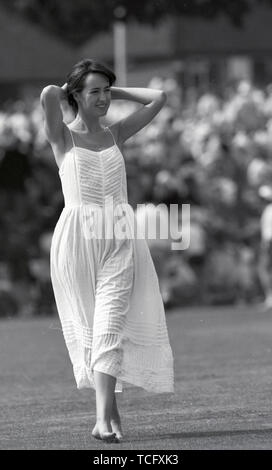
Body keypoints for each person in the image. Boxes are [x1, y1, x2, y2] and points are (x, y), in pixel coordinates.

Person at [40, 59, 174, 444]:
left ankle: (101, 420)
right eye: (94, 92)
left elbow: (159, 97)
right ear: (77, 95)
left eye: (106, 91)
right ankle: (110, 413)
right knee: (93, 331)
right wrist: (74, 92)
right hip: (77, 242)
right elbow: (49, 94)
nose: (102, 98)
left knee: (110, 324)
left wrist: (113, 91)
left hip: (118, 235)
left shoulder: (116, 133)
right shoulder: (61, 138)